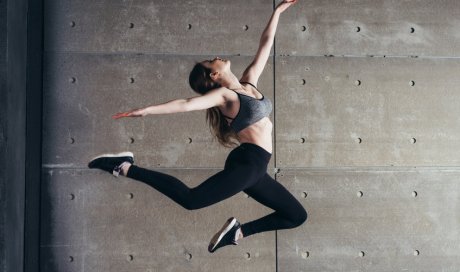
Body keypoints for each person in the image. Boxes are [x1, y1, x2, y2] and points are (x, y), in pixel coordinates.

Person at [88, 0, 307, 253]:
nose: (216, 57)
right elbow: (186, 104)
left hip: (255, 166)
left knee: (296, 215)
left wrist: (278, 11)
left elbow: (266, 44)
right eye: (210, 62)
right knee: (191, 200)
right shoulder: (226, 97)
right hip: (249, 163)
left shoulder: (248, 83)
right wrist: (145, 111)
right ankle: (125, 166)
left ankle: (238, 232)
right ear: (214, 75)